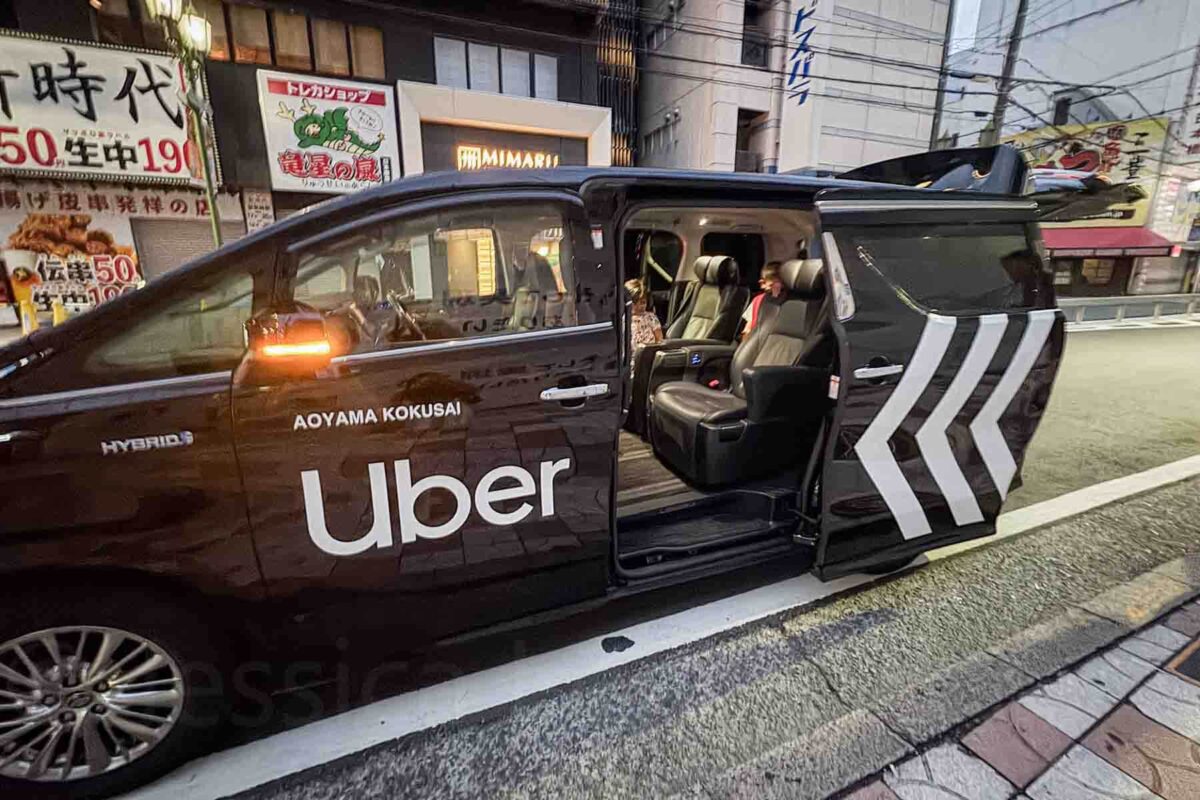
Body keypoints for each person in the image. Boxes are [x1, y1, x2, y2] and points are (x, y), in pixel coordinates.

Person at [625, 278, 662, 372]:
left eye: (643, 302)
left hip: (649, 360)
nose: (640, 306)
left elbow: (660, 340)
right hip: (630, 363)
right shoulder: (624, 320)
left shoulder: (651, 317)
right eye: (635, 303)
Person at [741, 261, 784, 341]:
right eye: (772, 285)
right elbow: (747, 330)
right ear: (762, 283)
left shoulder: (789, 303)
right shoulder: (757, 301)